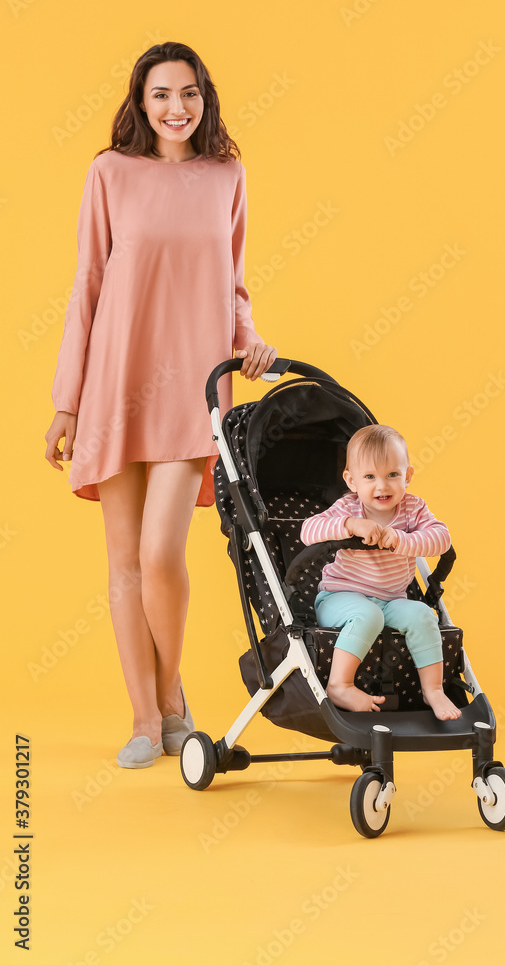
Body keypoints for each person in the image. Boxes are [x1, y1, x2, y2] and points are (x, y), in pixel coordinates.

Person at [44, 42, 277, 768]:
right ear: (140, 104)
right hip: (115, 379)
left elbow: (231, 282)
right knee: (124, 565)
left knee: (160, 553)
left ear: (205, 98)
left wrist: (251, 337)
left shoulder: (227, 175)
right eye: (160, 95)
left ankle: (171, 692)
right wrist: (66, 403)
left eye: (188, 94)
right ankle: (149, 717)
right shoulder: (109, 173)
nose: (176, 108)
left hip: (193, 382)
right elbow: (86, 287)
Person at [300, 424, 462, 721]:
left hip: (391, 600)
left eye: (392, 475)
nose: (382, 486)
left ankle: (434, 689)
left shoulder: (413, 509)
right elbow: (307, 531)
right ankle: (339, 685)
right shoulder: (348, 508)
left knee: (423, 615)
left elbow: (442, 538)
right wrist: (349, 525)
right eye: (370, 477)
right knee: (367, 615)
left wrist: (403, 539)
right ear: (351, 481)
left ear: (407, 476)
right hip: (339, 598)